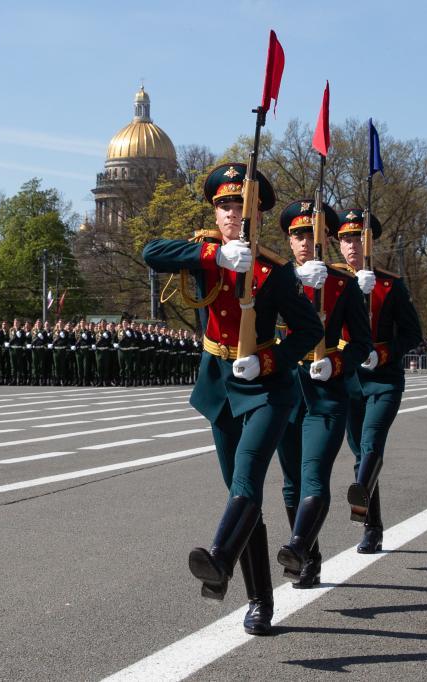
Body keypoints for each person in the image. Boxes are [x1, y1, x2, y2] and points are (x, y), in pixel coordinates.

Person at [143, 162, 323, 635]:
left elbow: (310, 330)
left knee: (247, 478)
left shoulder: (274, 271)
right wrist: (214, 259)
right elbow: (151, 253)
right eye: (224, 206)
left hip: (265, 387)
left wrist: (268, 361)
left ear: (257, 214)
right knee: (240, 498)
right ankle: (260, 601)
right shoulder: (204, 252)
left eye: (240, 206)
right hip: (219, 384)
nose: (231, 214)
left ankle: (220, 557)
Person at [273, 199, 372, 588]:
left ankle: (297, 546)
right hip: (285, 390)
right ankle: (309, 557)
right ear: (289, 239)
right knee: (291, 482)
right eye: (297, 234)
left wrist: (338, 363)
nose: (303, 241)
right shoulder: (272, 280)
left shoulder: (343, 285)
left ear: (324, 239)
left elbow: (362, 343)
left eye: (311, 234)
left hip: (326, 393)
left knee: (314, 477)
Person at [334, 209, 423, 554]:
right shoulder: (332, 280)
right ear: (338, 245)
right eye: (345, 238)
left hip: (383, 379)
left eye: (358, 237)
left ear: (370, 241)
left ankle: (362, 506)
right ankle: (373, 526)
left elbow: (413, 334)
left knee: (371, 444)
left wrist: (382, 353)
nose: (352, 245)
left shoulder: (390, 285)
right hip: (349, 378)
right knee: (359, 452)